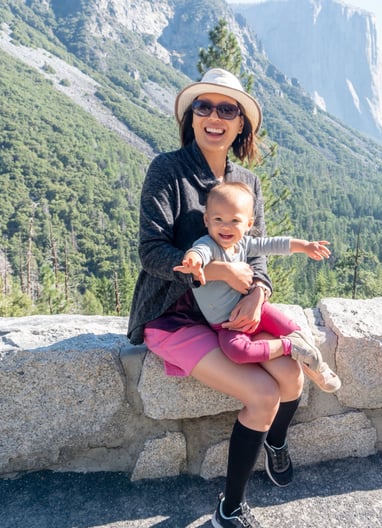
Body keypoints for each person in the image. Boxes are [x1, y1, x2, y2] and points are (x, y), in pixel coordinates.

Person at [127, 68, 316, 528]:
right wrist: (213, 271)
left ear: (240, 125)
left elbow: (257, 252)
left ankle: (273, 440)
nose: (215, 117)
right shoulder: (167, 171)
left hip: (231, 311)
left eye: (227, 109)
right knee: (262, 393)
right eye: (203, 106)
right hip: (176, 315)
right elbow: (151, 253)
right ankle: (229, 509)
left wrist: (258, 292)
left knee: (293, 380)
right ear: (190, 117)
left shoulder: (247, 182)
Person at [173, 181, 342, 393]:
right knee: (237, 352)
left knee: (290, 328)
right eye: (218, 220)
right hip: (226, 325)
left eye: (235, 220)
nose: (225, 226)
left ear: (249, 223)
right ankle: (292, 347)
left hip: (256, 309)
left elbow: (274, 244)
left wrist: (305, 246)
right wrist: (192, 261)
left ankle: (318, 366)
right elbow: (198, 252)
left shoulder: (245, 243)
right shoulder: (208, 244)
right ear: (207, 220)